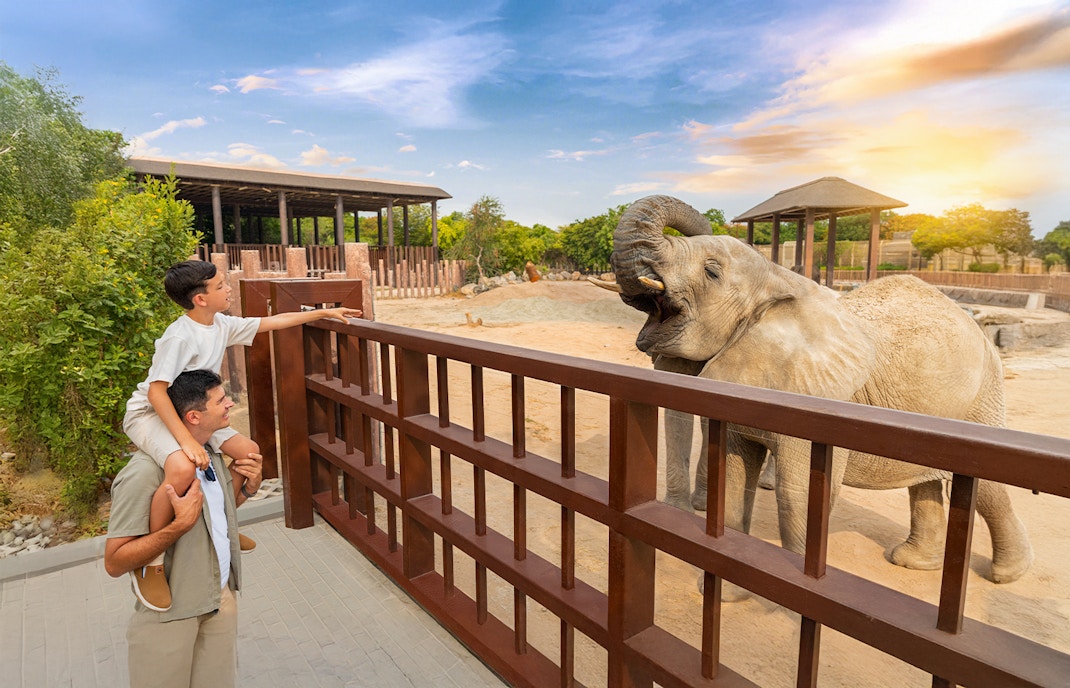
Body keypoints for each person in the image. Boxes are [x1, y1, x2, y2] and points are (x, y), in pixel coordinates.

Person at [123, 259, 361, 611]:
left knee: (249, 452)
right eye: (220, 286)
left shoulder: (219, 324)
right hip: (151, 415)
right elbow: (158, 392)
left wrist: (323, 314)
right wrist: (187, 443)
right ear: (200, 299)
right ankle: (151, 561)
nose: (228, 288)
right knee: (181, 468)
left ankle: (225, 524)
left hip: (197, 414)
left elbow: (272, 322)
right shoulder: (179, 336)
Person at [106, 369, 261, 688]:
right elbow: (115, 561)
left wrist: (245, 490)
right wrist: (177, 527)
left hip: (219, 600)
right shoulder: (144, 475)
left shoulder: (213, 456)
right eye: (221, 401)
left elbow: (211, 516)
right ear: (193, 416)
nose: (230, 404)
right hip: (170, 616)